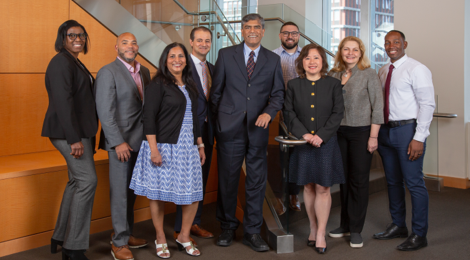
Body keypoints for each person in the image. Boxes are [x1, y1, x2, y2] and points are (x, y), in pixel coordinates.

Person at [210, 13, 284, 252]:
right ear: (242, 31)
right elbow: (216, 93)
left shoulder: (273, 60)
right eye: (248, 27)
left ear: (263, 31)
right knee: (228, 180)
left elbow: (278, 94)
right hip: (229, 130)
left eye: (257, 27)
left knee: (256, 183)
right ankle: (228, 226)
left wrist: (269, 112)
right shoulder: (225, 55)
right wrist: (217, 124)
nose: (252, 30)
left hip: (258, 130)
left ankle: (252, 232)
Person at [129, 42, 205, 258]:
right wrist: (154, 150)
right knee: (158, 195)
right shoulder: (158, 84)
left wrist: (200, 144)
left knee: (193, 194)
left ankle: (184, 236)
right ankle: (160, 236)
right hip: (163, 146)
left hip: (188, 147)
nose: (177, 60)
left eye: (181, 56)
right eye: (172, 56)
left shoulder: (190, 84)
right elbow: (149, 118)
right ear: (165, 60)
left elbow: (195, 119)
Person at [373, 30, 435, 251]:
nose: (392, 46)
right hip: (386, 133)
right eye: (387, 42)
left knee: (414, 183)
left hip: (408, 131)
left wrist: (419, 137)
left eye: (396, 42)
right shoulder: (382, 70)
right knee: (392, 182)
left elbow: (427, 105)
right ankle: (398, 225)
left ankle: (419, 234)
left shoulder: (417, 69)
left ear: (405, 44)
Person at [41, 20, 98, 260]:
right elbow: (62, 104)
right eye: (72, 35)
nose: (78, 39)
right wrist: (74, 139)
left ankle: (60, 236)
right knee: (87, 182)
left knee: (76, 182)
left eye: (82, 35)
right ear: (62, 37)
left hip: (78, 132)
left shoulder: (73, 61)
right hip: (68, 134)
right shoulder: (60, 63)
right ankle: (73, 248)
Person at [283, 44, 344, 254]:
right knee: (307, 187)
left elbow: (338, 113)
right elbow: (288, 113)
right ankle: (312, 226)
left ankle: (321, 233)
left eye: (316, 58)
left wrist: (321, 136)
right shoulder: (293, 85)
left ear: (323, 62)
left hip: (326, 144)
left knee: (323, 188)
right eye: (307, 58)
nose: (312, 62)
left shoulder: (334, 84)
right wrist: (306, 135)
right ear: (302, 62)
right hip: (303, 143)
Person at [94, 32, 151, 260]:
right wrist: (117, 142)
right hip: (120, 143)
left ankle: (125, 234)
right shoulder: (108, 72)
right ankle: (118, 243)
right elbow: (105, 112)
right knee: (119, 193)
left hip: (140, 141)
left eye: (134, 42)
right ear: (116, 46)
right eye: (125, 42)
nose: (130, 46)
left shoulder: (145, 71)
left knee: (131, 192)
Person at [327, 36, 384, 248]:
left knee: (358, 181)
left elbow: (377, 107)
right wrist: (339, 84)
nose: (350, 53)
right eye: (346, 49)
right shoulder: (333, 74)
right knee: (343, 179)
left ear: (361, 52)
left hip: (362, 132)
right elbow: (329, 103)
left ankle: (356, 229)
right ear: (340, 52)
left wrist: (373, 136)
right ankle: (345, 224)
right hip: (338, 132)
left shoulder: (369, 74)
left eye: (355, 50)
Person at [173, 27, 215, 244]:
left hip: (207, 131)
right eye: (199, 40)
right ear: (191, 41)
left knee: (200, 179)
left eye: (207, 40)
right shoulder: (181, 65)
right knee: (185, 179)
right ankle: (180, 228)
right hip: (185, 132)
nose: (203, 44)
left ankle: (194, 223)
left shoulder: (212, 68)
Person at [271, 21, 302, 214]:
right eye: (285, 33)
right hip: (276, 111)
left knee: (296, 155)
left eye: (293, 33)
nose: (289, 36)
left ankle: (293, 194)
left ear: (299, 35)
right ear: (280, 35)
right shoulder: (272, 56)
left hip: (300, 112)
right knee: (278, 156)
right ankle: (277, 197)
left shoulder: (307, 56)